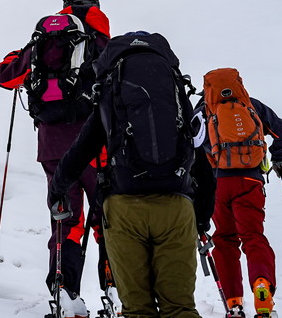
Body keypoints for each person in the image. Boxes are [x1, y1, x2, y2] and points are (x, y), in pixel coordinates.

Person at [48, 31, 215, 318]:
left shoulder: (110, 94)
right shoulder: (174, 94)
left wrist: (57, 190)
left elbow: (80, 151)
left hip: (124, 208)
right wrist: (200, 219)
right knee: (180, 307)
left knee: (137, 309)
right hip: (176, 206)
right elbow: (201, 161)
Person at [0, 0, 110, 317]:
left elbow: (3, 76)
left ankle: (63, 291)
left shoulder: (43, 40)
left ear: (65, 6)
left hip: (53, 147)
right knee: (109, 219)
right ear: (94, 6)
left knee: (65, 220)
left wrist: (18, 57)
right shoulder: (101, 41)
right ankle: (114, 288)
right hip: (94, 146)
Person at [196, 68, 282, 318]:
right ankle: (262, 287)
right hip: (250, 180)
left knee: (226, 239)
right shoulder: (252, 106)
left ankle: (234, 303)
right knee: (253, 236)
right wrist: (279, 159)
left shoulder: (204, 109)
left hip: (218, 184)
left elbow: (190, 145)